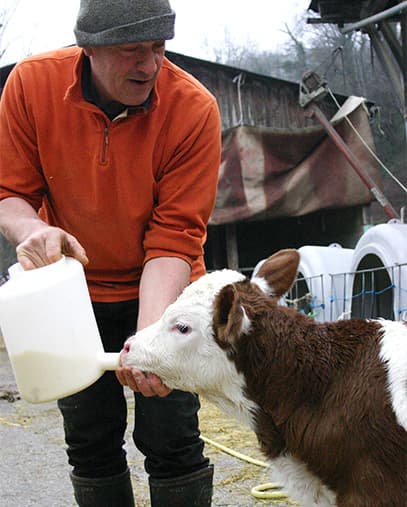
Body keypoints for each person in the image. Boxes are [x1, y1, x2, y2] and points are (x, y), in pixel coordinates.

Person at [0, 0, 221, 505]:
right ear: (90, 48)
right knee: (91, 438)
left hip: (166, 288)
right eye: (131, 51)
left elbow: (172, 241)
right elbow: (9, 191)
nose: (149, 65)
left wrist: (149, 344)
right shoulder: (31, 87)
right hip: (72, 293)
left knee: (172, 436)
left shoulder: (193, 109)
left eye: (158, 48)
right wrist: (33, 230)